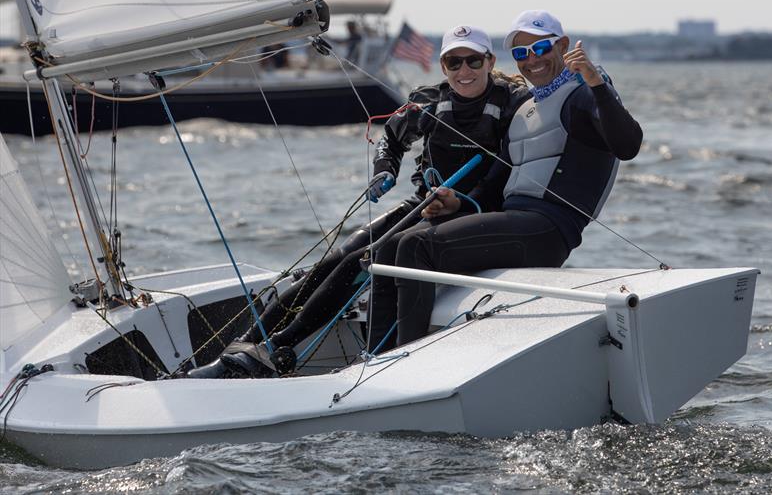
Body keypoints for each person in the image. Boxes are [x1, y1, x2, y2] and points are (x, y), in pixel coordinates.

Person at [187, 25, 531, 378]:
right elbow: (392, 138)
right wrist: (385, 170)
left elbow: (505, 174)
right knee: (339, 255)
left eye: (473, 61)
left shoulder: (512, 105)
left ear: (489, 61)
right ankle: (243, 346)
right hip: (425, 202)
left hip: (471, 211)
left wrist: (462, 203)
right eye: (454, 62)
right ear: (443, 66)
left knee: (362, 261)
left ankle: (279, 345)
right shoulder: (431, 102)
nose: (464, 71)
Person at [368, 10, 643, 350]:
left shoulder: (582, 94)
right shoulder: (526, 110)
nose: (531, 60)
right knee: (387, 251)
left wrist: (596, 83)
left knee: (415, 248)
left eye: (540, 48)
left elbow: (628, 145)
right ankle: (374, 356)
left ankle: (404, 358)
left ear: (563, 46)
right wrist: (459, 203)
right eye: (521, 53)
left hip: (548, 230)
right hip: (511, 222)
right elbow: (494, 187)